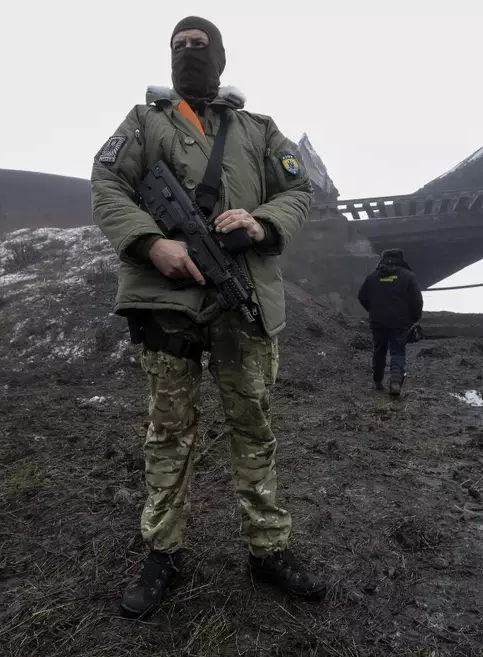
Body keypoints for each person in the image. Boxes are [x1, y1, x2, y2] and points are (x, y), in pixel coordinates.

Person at [91, 16, 326, 619]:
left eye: (200, 46)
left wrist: (261, 222)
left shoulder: (258, 129)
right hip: (166, 302)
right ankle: (163, 552)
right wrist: (151, 243)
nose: (189, 53)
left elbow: (299, 191)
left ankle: (268, 549)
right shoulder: (144, 121)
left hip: (243, 298)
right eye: (179, 46)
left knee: (254, 427)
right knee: (168, 432)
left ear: (220, 57)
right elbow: (108, 183)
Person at [357, 249, 424, 396]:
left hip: (378, 321)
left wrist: (373, 311)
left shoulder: (372, 277)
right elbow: (417, 301)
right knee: (397, 351)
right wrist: (413, 318)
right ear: (400, 259)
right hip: (400, 322)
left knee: (379, 350)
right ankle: (395, 383)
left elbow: (362, 296)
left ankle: (377, 381)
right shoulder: (408, 276)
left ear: (383, 259)